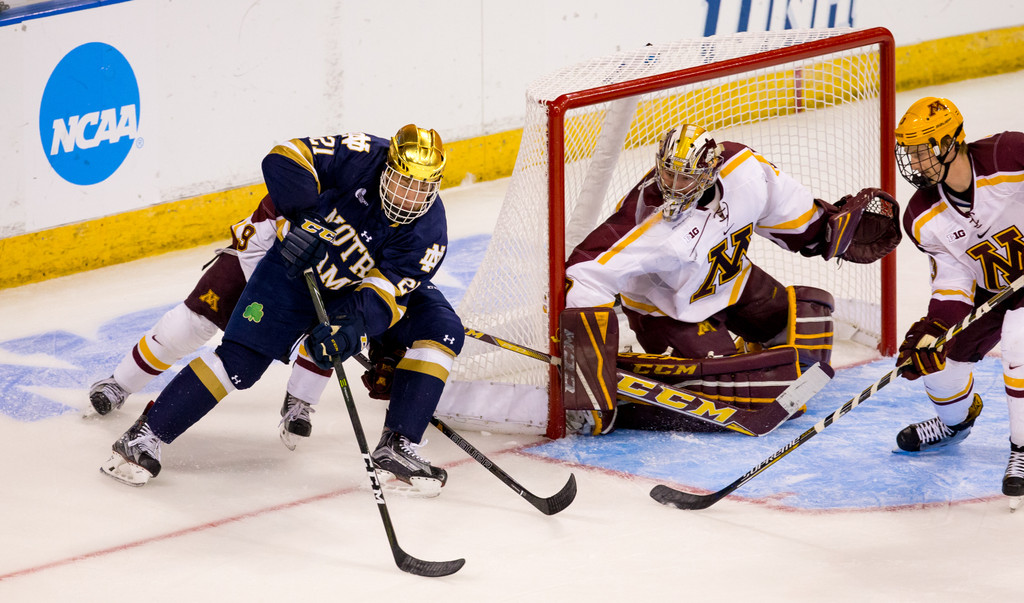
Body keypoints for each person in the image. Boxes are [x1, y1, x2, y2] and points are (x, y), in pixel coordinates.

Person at [100, 124, 465, 496]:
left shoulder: (428, 234)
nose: (410, 197)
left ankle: (393, 443)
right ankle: (144, 436)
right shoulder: (362, 155)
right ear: (388, 168)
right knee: (240, 363)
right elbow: (285, 156)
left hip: (351, 288)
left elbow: (387, 294)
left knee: (429, 328)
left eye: (423, 188)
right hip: (294, 268)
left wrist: (352, 327)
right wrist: (306, 217)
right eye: (404, 182)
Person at [562, 123, 900, 434]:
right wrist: (588, 365)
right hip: (672, 312)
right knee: (740, 387)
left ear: (710, 172)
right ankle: (643, 386)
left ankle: (747, 351)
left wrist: (823, 231)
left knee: (810, 324)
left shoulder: (744, 170)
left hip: (733, 282)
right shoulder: (645, 223)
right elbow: (584, 272)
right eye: (668, 173)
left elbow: (785, 209)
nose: (673, 186)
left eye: (686, 177)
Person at [87, 194, 334, 451]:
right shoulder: (322, 173)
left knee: (328, 335)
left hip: (305, 284)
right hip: (251, 260)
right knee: (187, 326)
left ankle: (300, 400)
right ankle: (120, 383)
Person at [891, 96, 1024, 500]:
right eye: (908, 154)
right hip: (992, 287)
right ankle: (954, 423)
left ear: (950, 144)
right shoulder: (921, 215)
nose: (913, 164)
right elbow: (954, 278)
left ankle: (1022, 448)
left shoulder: (1009, 155)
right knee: (937, 356)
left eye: (921, 152)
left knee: (1020, 340)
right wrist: (936, 326)